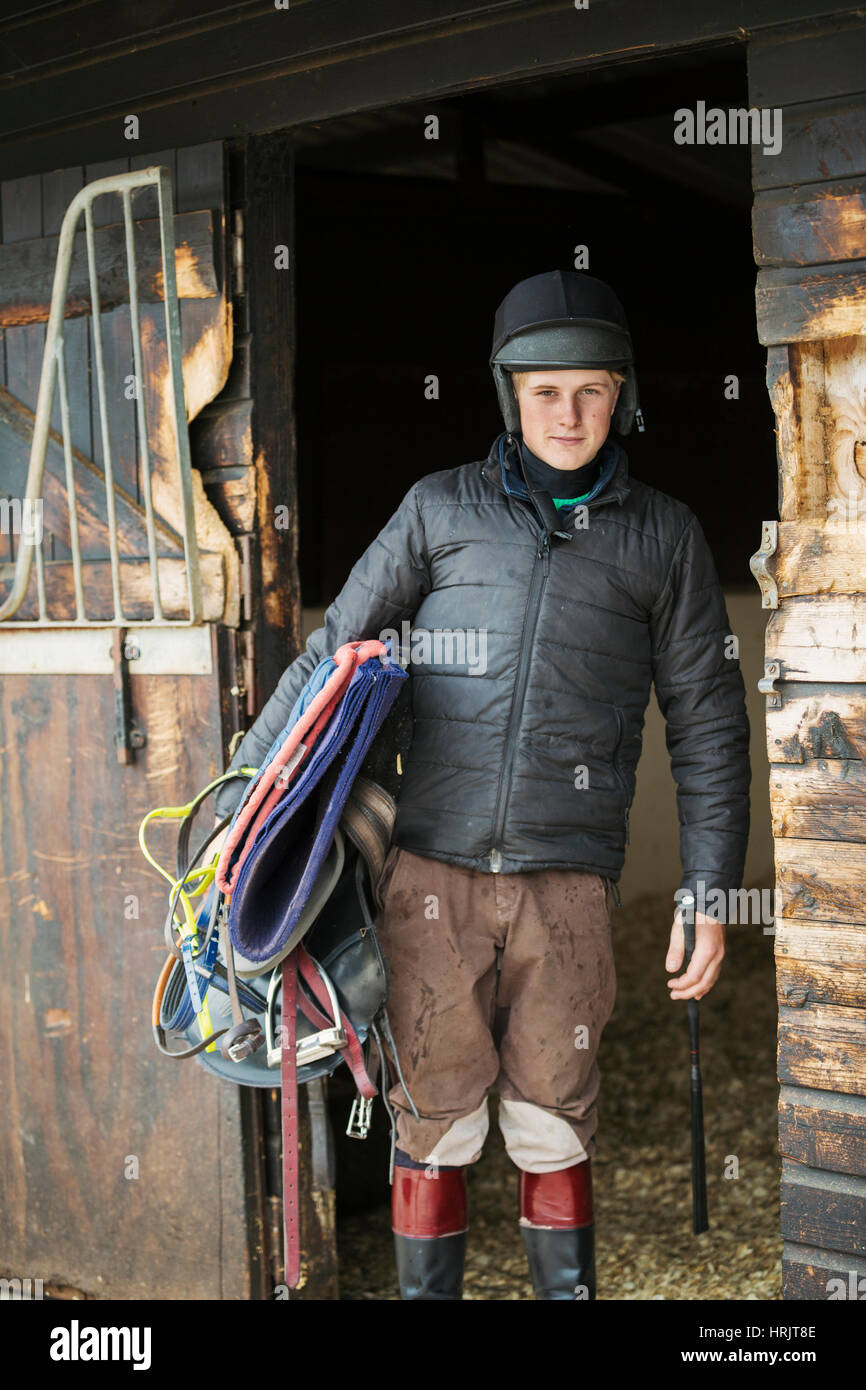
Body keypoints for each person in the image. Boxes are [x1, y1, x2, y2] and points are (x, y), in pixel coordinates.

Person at [213, 270, 751, 1300]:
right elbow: (329, 657)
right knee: (438, 1116)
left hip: (571, 887)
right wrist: (242, 806)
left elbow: (707, 725)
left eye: (590, 389)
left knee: (552, 1119)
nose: (568, 413)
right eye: (543, 391)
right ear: (508, 394)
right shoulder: (436, 511)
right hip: (430, 879)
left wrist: (708, 889)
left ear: (620, 394)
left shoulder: (663, 537)